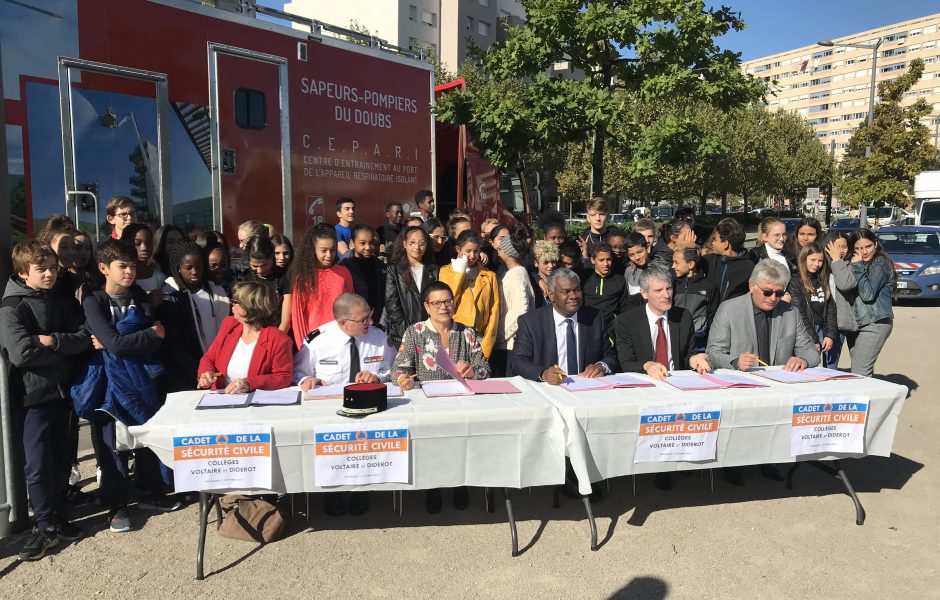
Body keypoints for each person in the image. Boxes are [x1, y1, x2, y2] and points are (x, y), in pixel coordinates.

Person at [81, 239, 179, 532]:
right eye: (122, 266)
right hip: (110, 385)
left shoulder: (138, 294)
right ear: (103, 268)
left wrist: (128, 341)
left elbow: (143, 337)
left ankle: (150, 493)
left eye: (132, 266)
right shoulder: (94, 300)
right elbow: (114, 342)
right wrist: (145, 336)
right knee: (113, 446)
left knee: (145, 436)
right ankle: (117, 505)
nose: (129, 272)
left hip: (143, 379)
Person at [1, 240, 91, 560]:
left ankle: (55, 518)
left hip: (63, 393)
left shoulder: (60, 300)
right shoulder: (13, 307)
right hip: (32, 398)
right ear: (24, 273)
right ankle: (44, 526)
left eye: (53, 268)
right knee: (38, 465)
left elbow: (83, 339)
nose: (51, 274)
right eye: (42, 269)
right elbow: (21, 352)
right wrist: (61, 348)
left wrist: (51, 340)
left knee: (60, 460)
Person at [706, 259, 818, 486]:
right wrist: (735, 360)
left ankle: (768, 461)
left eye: (779, 293)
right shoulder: (729, 309)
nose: (773, 298)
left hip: (777, 386)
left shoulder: (790, 312)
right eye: (767, 292)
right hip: (741, 386)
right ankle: (734, 464)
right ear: (751, 286)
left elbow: (811, 350)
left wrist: (803, 359)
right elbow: (713, 351)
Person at [391, 281, 490, 514]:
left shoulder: (466, 332)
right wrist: (402, 379)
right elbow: (398, 368)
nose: (443, 307)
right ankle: (433, 487)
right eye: (437, 303)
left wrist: (473, 372)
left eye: (448, 302)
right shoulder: (415, 332)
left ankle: (460, 484)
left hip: (461, 402)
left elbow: (486, 368)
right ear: (427, 306)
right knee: (433, 443)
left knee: (460, 442)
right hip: (429, 403)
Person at [613, 265, 711, 491]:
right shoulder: (626, 321)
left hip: (678, 383)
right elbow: (625, 362)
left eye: (669, 288)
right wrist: (646, 364)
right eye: (659, 290)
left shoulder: (682, 316)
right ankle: (658, 466)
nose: (666, 295)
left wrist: (695, 359)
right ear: (644, 293)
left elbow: (687, 353)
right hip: (645, 386)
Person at [512, 268, 618, 384]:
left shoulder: (595, 318)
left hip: (586, 388)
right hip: (548, 390)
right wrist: (543, 373)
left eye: (577, 290)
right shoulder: (531, 322)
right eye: (565, 292)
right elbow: (518, 361)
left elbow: (610, 356)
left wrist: (601, 366)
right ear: (551, 295)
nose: (573, 296)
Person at [159, 243, 230, 393]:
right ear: (178, 268)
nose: (195, 272)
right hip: (185, 374)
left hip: (215, 367)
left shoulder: (215, 291)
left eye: (199, 266)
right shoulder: (170, 295)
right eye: (188, 267)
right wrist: (197, 371)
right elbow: (175, 343)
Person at [289, 224, 354, 349]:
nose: (329, 255)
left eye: (333, 250)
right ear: (313, 249)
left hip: (341, 341)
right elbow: (298, 318)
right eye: (323, 250)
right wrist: (304, 347)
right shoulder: (304, 277)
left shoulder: (344, 273)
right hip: (314, 343)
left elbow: (351, 308)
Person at [438, 231, 500, 359]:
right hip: (454, 335)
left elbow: (494, 313)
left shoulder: (489, 276)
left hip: (479, 337)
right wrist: (459, 273)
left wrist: (486, 347)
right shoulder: (445, 272)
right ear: (458, 249)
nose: (472, 255)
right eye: (468, 251)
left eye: (476, 251)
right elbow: (447, 302)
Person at [842, 229, 894, 377]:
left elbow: (867, 294)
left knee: (859, 372)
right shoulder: (855, 262)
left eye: (868, 246)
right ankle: (870, 400)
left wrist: (857, 266)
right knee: (863, 370)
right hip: (857, 324)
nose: (863, 252)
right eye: (858, 248)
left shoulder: (880, 263)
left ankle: (863, 400)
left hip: (875, 322)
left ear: (876, 244)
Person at [385, 226, 439, 348]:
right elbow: (392, 304)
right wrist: (408, 333)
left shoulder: (434, 270)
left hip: (430, 332)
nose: (417, 247)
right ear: (404, 244)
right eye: (412, 242)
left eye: (421, 243)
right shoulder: (394, 270)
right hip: (403, 334)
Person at [491, 230, 534, 376]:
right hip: (507, 343)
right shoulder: (513, 273)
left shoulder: (517, 274)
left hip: (510, 344)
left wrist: (499, 336)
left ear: (508, 251)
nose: (498, 251)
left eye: (501, 248)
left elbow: (520, 311)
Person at [787, 242, 838, 362]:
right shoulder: (796, 282)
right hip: (805, 331)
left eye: (820, 260)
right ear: (804, 258)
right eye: (813, 259)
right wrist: (813, 339)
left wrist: (830, 335)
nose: (817, 264)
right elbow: (800, 313)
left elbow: (831, 309)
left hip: (822, 328)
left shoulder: (823, 280)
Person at [240, 235, 292, 333]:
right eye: (254, 266)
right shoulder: (245, 278)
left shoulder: (284, 276)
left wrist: (276, 340)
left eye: (264, 265)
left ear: (272, 258)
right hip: (252, 332)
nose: (259, 270)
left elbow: (286, 320)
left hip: (279, 333)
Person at [672, 245, 719, 351]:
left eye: (676, 262)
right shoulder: (672, 285)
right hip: (676, 340)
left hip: (700, 343)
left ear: (691, 264)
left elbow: (712, 317)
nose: (673, 266)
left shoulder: (709, 287)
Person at [340, 224, 386, 324]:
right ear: (352, 243)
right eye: (362, 243)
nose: (368, 247)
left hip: (376, 320)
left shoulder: (378, 265)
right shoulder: (344, 266)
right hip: (354, 322)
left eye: (371, 243)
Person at [824, 230, 857, 369]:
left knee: (831, 365)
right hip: (821, 320)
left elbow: (845, 285)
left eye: (844, 246)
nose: (841, 251)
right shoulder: (820, 265)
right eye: (837, 247)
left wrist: (837, 260)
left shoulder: (850, 265)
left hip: (840, 322)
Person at [701, 218, 753, 302]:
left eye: (715, 240)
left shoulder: (748, 267)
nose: (712, 243)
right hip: (712, 314)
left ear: (725, 244)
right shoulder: (711, 260)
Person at [581, 242, 626, 335]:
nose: (606, 263)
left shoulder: (620, 280)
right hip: (587, 328)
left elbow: (624, 308)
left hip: (610, 330)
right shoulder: (584, 279)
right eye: (601, 260)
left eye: (608, 259)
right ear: (593, 260)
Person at [120, 223, 166, 294]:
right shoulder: (117, 276)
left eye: (149, 243)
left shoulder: (159, 277)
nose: (144, 248)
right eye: (137, 243)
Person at [530, 240, 558, 308]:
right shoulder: (532, 282)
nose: (551, 266)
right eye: (546, 262)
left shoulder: (559, 281)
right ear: (536, 263)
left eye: (553, 261)